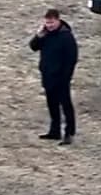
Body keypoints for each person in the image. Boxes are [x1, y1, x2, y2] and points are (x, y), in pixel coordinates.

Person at [28, 9, 78, 144]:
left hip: (61, 78)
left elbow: (72, 59)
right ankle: (54, 131)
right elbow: (33, 47)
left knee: (66, 105)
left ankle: (69, 133)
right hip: (48, 75)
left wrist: (66, 77)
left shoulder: (66, 37)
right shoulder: (45, 34)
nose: (49, 25)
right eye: (47, 23)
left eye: (51, 23)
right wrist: (38, 36)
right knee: (52, 104)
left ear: (58, 20)